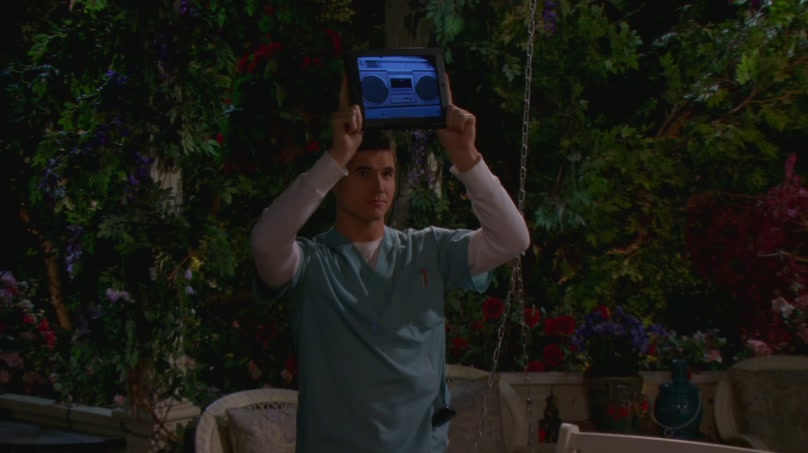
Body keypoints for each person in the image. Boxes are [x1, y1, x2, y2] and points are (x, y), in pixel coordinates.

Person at [250, 76, 530, 452]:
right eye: (362, 172)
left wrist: (465, 155)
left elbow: (513, 239)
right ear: (336, 181)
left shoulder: (428, 249)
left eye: (387, 173)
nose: (378, 186)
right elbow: (265, 242)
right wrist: (336, 156)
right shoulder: (313, 264)